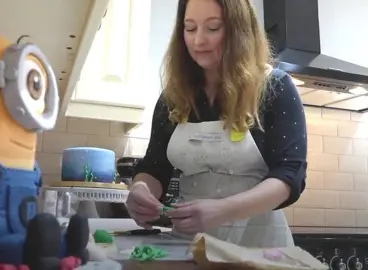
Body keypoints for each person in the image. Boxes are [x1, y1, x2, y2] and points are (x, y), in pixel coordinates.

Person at [126, 0, 307, 248]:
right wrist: (140, 189)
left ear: (240, 31)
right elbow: (155, 167)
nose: (199, 41)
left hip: (260, 248)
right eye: (190, 29)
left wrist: (223, 210)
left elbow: (289, 176)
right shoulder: (173, 96)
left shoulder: (274, 87)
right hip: (187, 247)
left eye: (213, 28)